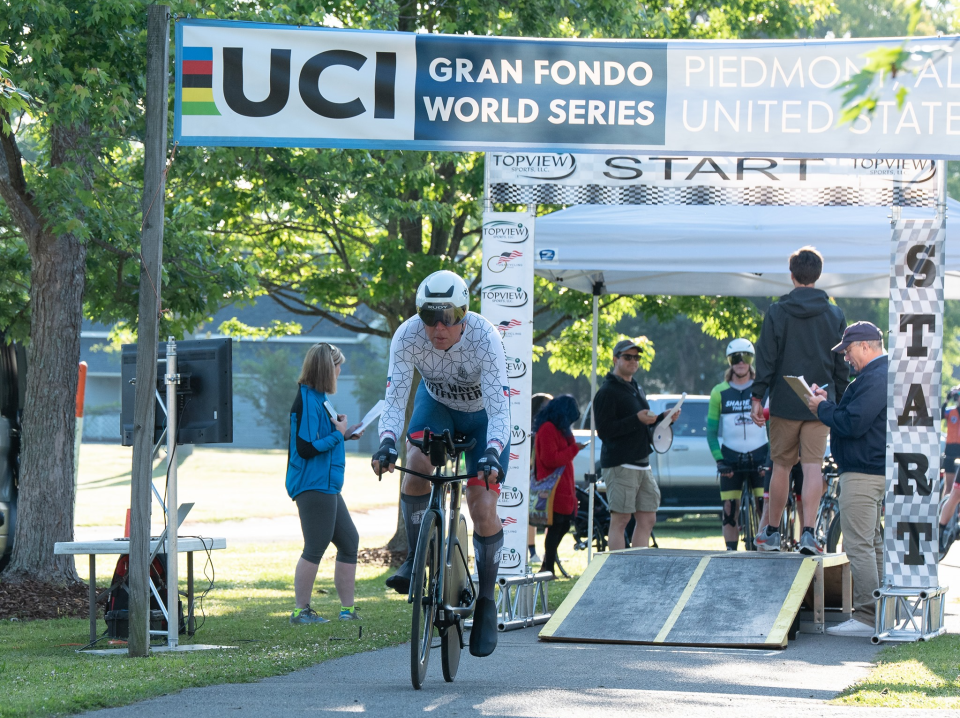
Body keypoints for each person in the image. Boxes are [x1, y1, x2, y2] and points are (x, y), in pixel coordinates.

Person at [370, 270, 510, 658]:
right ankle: (417, 559)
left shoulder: (485, 338)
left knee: (482, 506)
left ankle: (485, 600)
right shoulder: (407, 335)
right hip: (438, 407)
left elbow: (501, 411)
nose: (437, 328)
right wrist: (385, 444)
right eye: (428, 317)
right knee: (415, 464)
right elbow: (396, 398)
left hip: (483, 419)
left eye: (446, 318)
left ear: (463, 315)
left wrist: (494, 451)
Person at [750, 246, 849, 554]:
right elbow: (841, 365)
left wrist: (757, 397)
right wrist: (841, 401)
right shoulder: (835, 314)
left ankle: (772, 532)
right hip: (820, 403)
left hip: (785, 402)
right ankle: (808, 535)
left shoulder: (777, 311)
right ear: (818, 276)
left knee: (779, 467)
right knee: (811, 469)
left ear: (791, 275)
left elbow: (765, 358)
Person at [806, 321, 887, 636]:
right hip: (870, 469)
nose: (845, 358)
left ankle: (868, 616)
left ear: (865, 346)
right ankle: (879, 612)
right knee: (872, 543)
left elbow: (853, 424)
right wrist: (828, 405)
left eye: (848, 350)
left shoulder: (877, 376)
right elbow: (856, 417)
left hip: (864, 473)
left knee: (858, 544)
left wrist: (823, 408)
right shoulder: (876, 375)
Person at [285, 343, 364, 624]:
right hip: (312, 483)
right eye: (338, 365)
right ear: (327, 369)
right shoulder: (307, 399)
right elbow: (306, 447)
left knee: (349, 541)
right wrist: (338, 435)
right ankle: (300, 611)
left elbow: (324, 437)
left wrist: (346, 433)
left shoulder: (319, 399)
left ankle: (347, 611)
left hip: (327, 484)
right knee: (316, 545)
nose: (341, 370)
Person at [593, 338, 675, 551]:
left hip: (642, 462)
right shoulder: (607, 391)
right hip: (620, 464)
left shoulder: (635, 387)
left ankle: (639, 566)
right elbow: (604, 431)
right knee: (620, 519)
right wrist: (636, 419)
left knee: (648, 518)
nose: (633, 361)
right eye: (627, 357)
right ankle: (619, 570)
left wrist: (662, 419)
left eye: (637, 357)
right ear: (615, 359)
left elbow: (642, 422)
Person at [707, 338, 769, 551]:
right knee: (729, 508)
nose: (741, 362)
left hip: (760, 455)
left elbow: (773, 426)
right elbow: (711, 432)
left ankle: (765, 549)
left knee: (764, 506)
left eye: (746, 357)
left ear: (751, 360)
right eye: (736, 358)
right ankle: (730, 553)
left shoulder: (762, 389)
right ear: (729, 361)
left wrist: (770, 457)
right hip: (730, 458)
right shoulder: (719, 392)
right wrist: (719, 461)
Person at [532, 395, 587, 576]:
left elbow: (565, 451)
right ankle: (548, 567)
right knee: (556, 527)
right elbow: (550, 459)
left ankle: (548, 564)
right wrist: (574, 449)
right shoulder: (547, 429)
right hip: (553, 489)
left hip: (563, 487)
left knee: (563, 526)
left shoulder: (559, 429)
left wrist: (570, 437)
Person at [528, 392, 554, 565]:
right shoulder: (531, 430)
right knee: (531, 512)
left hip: (548, 477)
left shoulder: (550, 427)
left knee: (549, 514)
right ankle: (532, 552)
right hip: (533, 477)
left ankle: (549, 553)